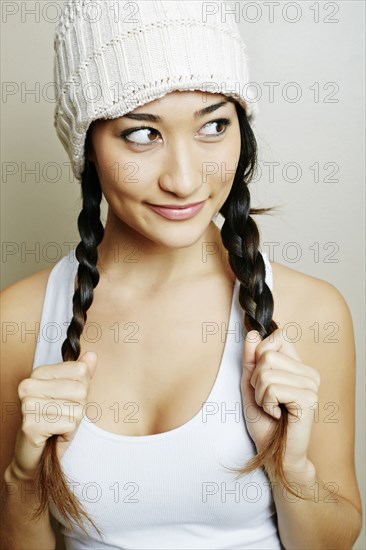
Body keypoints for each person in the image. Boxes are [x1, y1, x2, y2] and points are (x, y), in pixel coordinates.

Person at [0, 1, 362, 549]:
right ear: (87, 146)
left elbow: (331, 541)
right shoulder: (21, 320)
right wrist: (21, 481)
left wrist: (291, 467)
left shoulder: (311, 312)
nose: (185, 179)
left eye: (214, 125)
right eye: (141, 135)